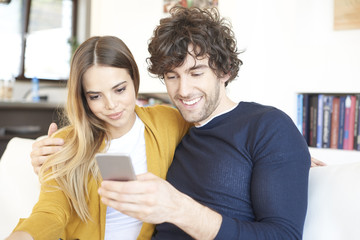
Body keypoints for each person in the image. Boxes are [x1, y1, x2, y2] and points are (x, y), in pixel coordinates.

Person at [30, 6, 319, 240]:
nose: (183, 91)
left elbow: (283, 235)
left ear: (225, 70)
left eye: (196, 73)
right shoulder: (176, 126)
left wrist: (178, 208)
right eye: (172, 76)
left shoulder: (267, 127)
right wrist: (53, 155)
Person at [6, 36, 191, 240]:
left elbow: (212, 129)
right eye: (95, 96)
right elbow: (50, 213)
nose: (111, 105)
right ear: (83, 98)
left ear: (134, 81)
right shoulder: (64, 143)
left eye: (120, 89)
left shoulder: (168, 122)